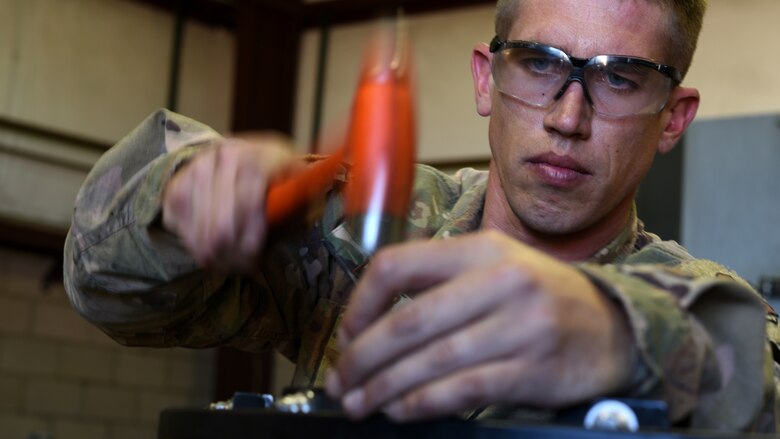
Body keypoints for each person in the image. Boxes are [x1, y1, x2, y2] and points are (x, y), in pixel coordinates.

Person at [64, 0, 778, 433]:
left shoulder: (692, 296)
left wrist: (627, 336)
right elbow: (106, 290)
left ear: (673, 118)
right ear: (485, 78)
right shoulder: (371, 222)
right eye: (537, 64)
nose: (567, 117)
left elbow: (760, 380)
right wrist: (181, 197)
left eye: (619, 78)